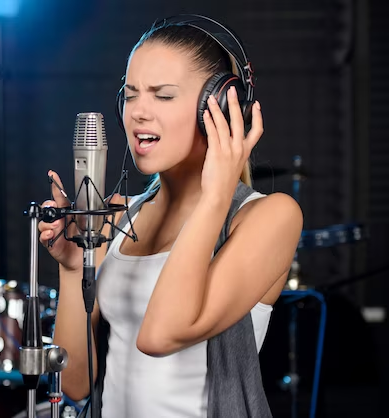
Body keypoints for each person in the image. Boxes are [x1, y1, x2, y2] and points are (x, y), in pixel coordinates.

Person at [38, 14, 303, 418]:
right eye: (130, 95)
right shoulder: (118, 215)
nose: (139, 113)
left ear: (218, 107)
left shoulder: (268, 218)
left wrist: (216, 195)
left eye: (163, 96)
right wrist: (74, 270)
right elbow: (74, 383)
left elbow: (160, 335)